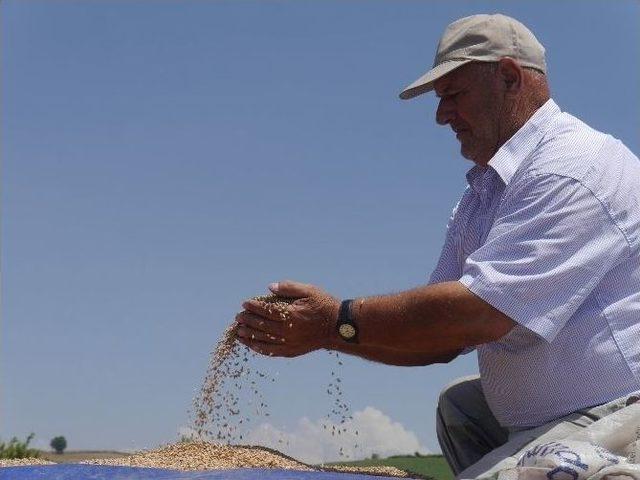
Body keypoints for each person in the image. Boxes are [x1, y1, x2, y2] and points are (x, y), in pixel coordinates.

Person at [235, 13, 640, 479]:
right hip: (548, 418)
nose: (441, 114)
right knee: (460, 405)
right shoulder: (483, 195)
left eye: (453, 95)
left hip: (615, 412)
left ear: (508, 77)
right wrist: (329, 333)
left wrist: (336, 319)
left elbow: (479, 313)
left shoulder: (571, 168)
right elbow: (443, 337)